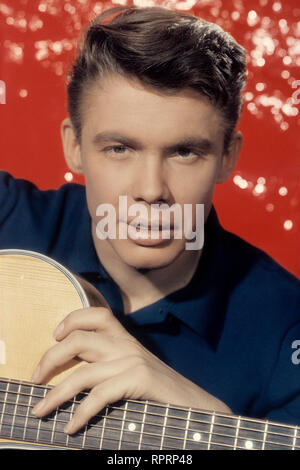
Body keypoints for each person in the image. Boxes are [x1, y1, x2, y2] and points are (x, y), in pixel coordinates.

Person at [0, 5, 299, 439]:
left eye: (184, 152)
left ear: (227, 157)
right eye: (120, 148)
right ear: (75, 147)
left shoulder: (286, 328)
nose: (152, 190)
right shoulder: (8, 216)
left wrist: (198, 413)